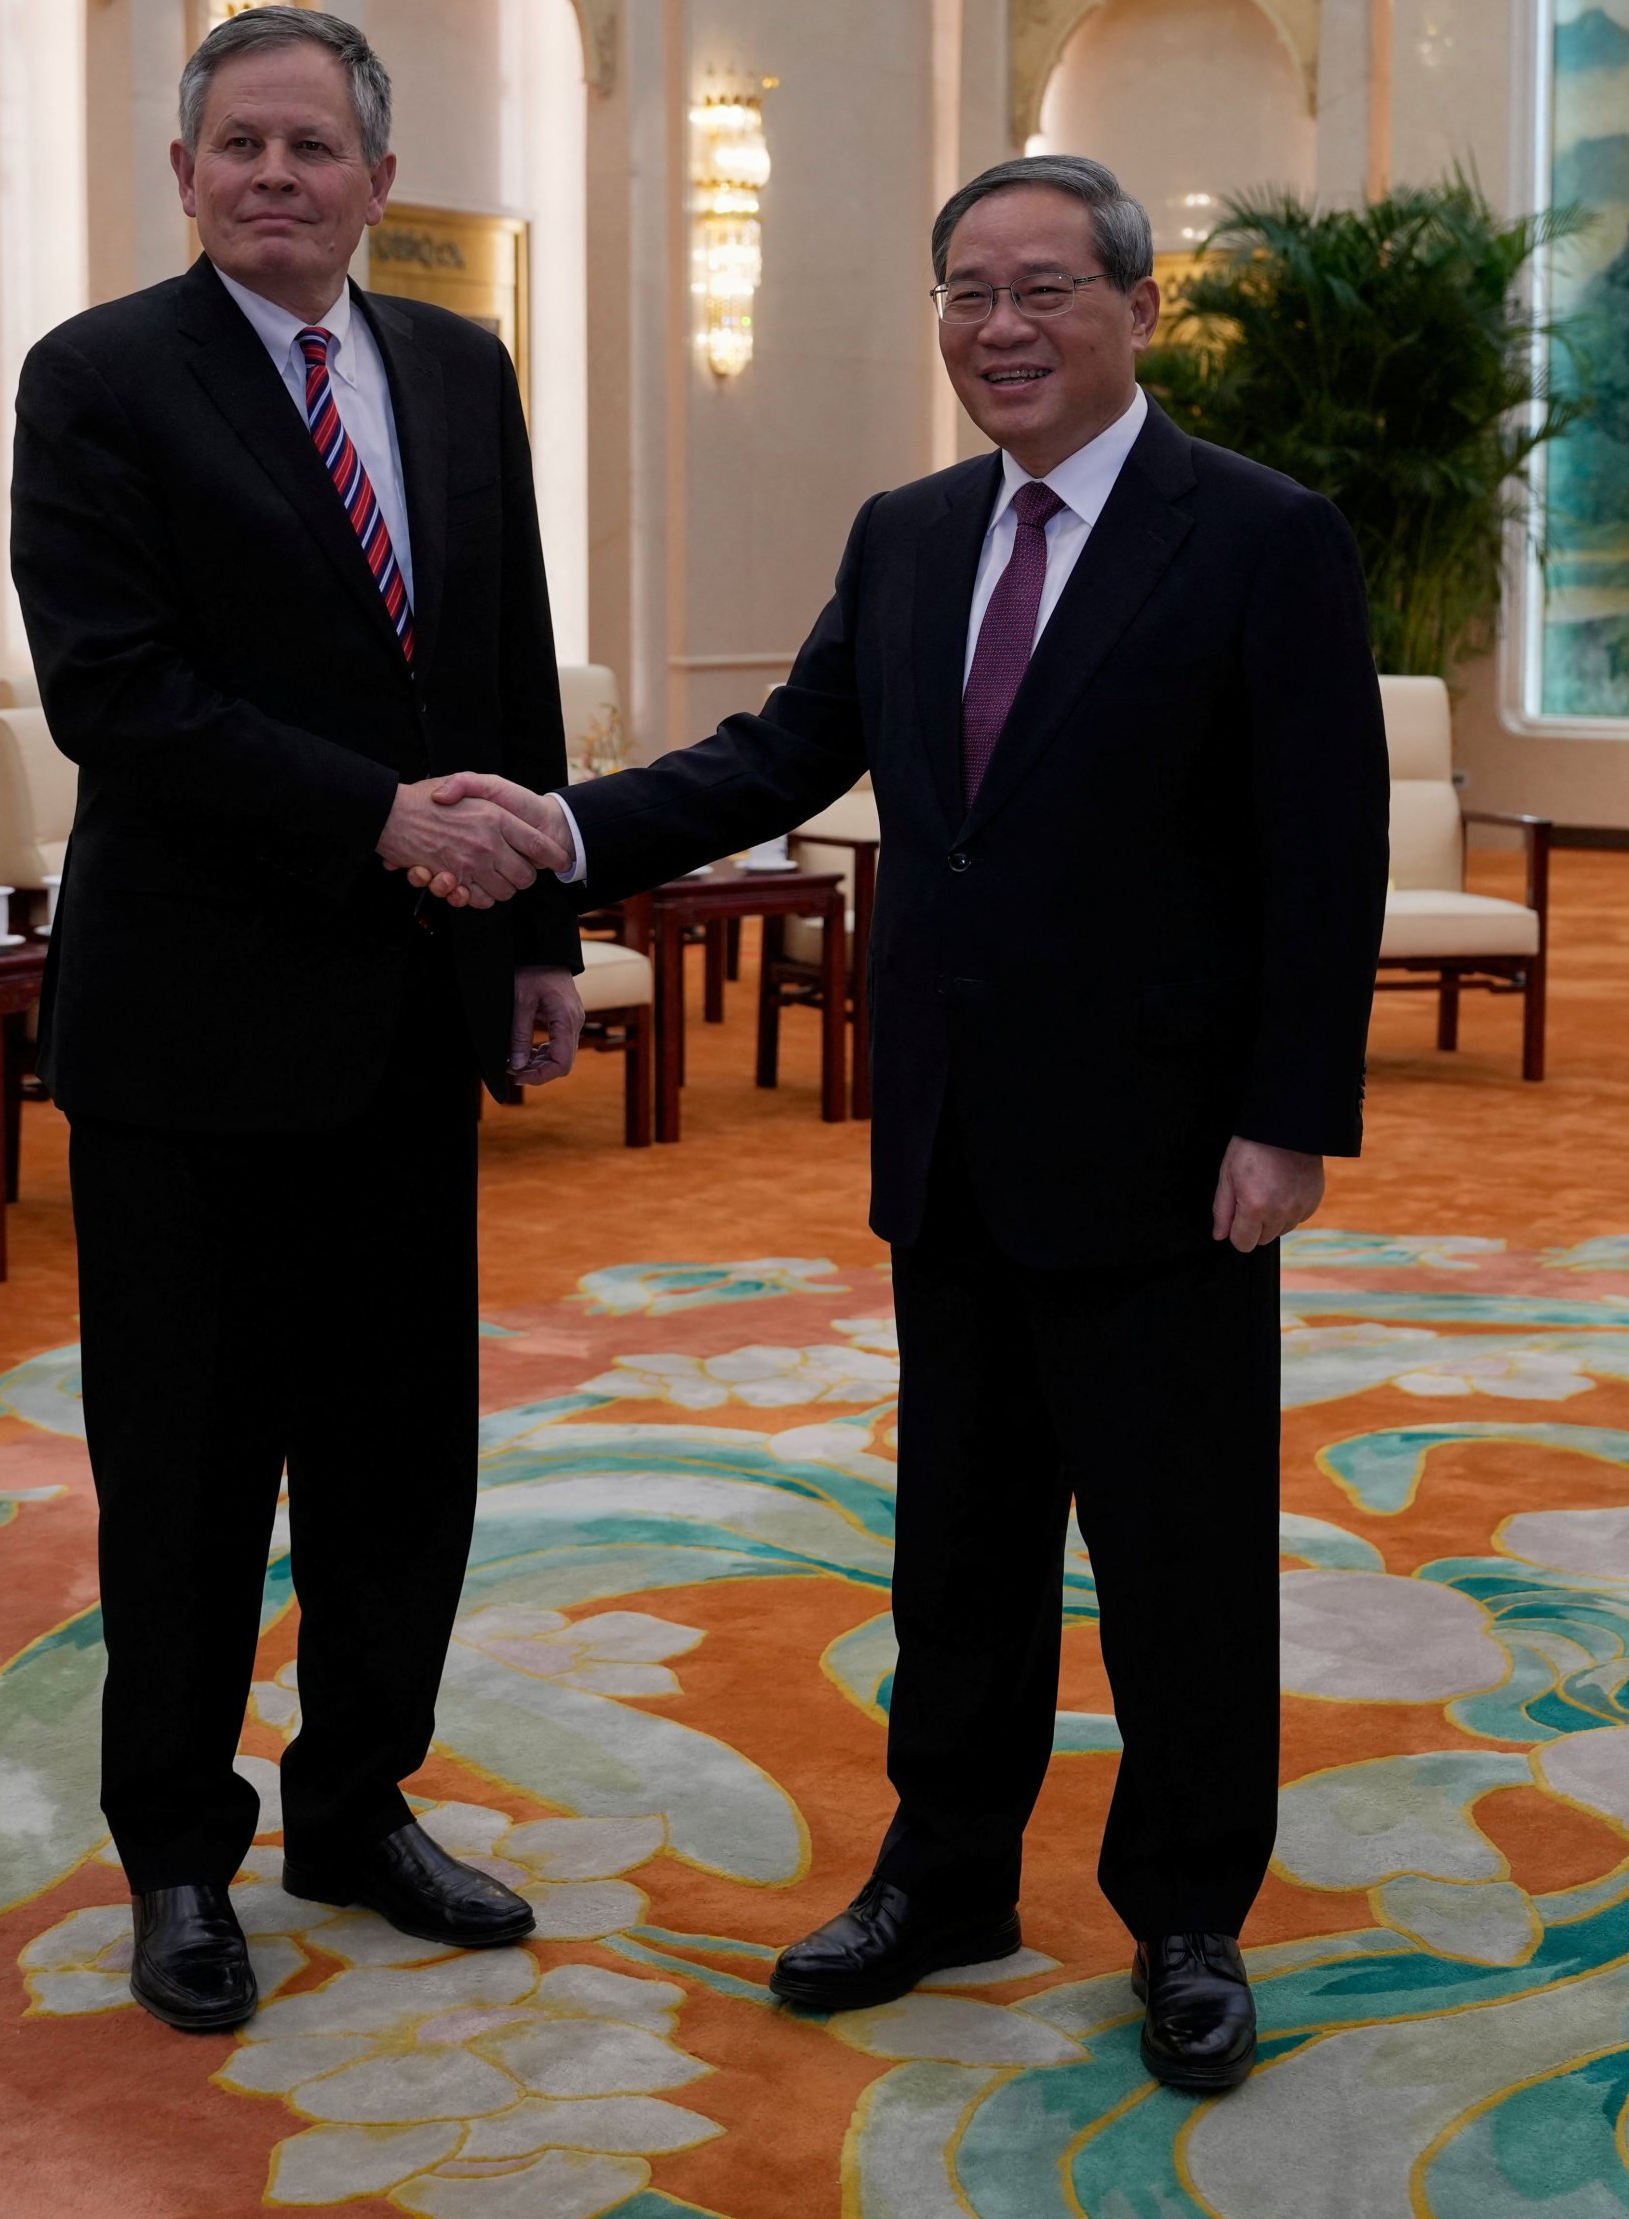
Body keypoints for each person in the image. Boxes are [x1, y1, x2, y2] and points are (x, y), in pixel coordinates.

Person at [435, 154, 1389, 2093]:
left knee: (1178, 1559)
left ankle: (1187, 1916)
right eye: (966, 291)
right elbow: (782, 753)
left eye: (1043, 288)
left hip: (1167, 1157)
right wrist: (566, 829)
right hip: (950, 1143)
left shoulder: (1260, 536)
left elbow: (1326, 849)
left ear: (1138, 309)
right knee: (956, 1549)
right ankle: (944, 1875)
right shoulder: (908, 534)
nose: (999, 326)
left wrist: (1288, 1117)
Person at [8, 5, 589, 2038]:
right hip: (188, 1032)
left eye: (311, 145)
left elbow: (502, 662)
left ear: (377, 181)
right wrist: (377, 817)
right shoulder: (97, 378)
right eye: (237, 144)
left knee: (398, 1457)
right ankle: (178, 1854)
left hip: (411, 1020)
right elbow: (117, 692)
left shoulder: (459, 369)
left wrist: (539, 935)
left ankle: (357, 1807)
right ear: (182, 175)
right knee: (183, 1468)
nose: (273, 174)